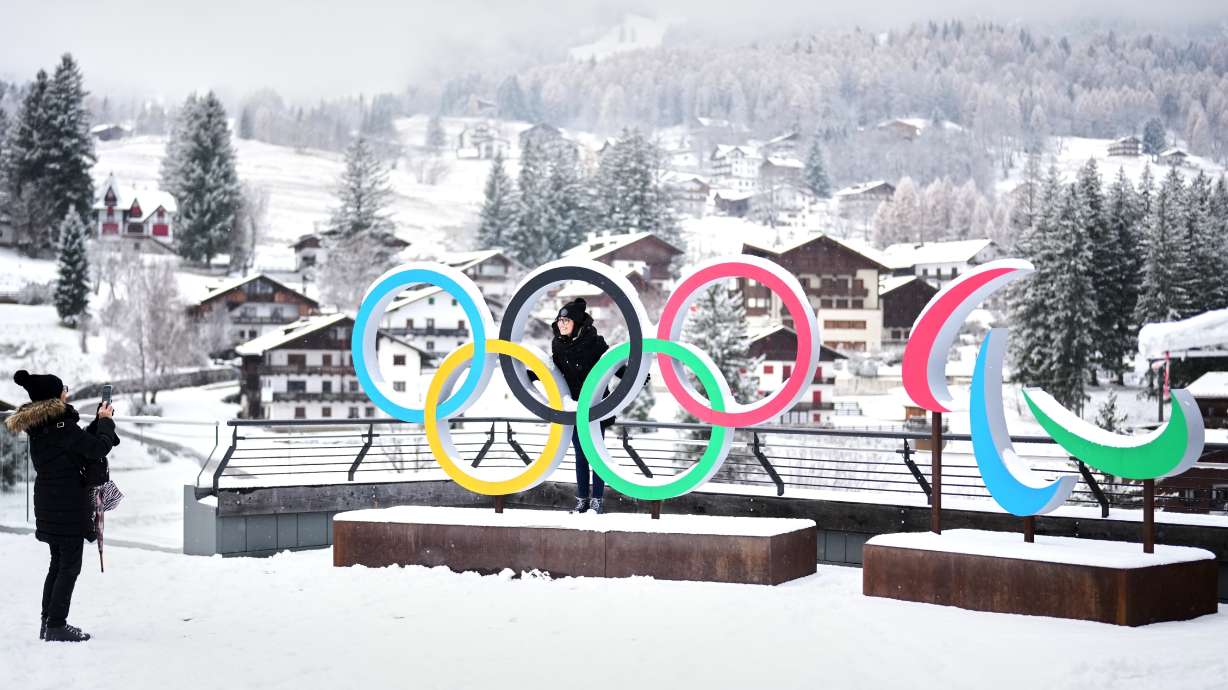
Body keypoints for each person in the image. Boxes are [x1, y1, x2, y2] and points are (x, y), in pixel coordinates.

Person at [4, 370, 119, 643]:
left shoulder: (42, 424)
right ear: (55, 395)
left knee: (57, 564)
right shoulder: (62, 426)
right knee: (69, 567)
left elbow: (77, 445)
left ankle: (48, 622)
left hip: (49, 501)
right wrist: (106, 422)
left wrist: (98, 422)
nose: (66, 391)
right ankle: (56, 625)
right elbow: (96, 449)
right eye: (63, 388)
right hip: (66, 505)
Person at [532, 298, 637, 514]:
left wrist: (632, 376)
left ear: (577, 322)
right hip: (573, 408)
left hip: (595, 407)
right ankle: (582, 499)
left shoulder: (594, 342)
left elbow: (611, 366)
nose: (562, 324)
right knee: (580, 454)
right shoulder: (558, 344)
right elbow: (554, 367)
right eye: (560, 320)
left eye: (566, 320)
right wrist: (533, 375)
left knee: (595, 454)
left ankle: (597, 499)